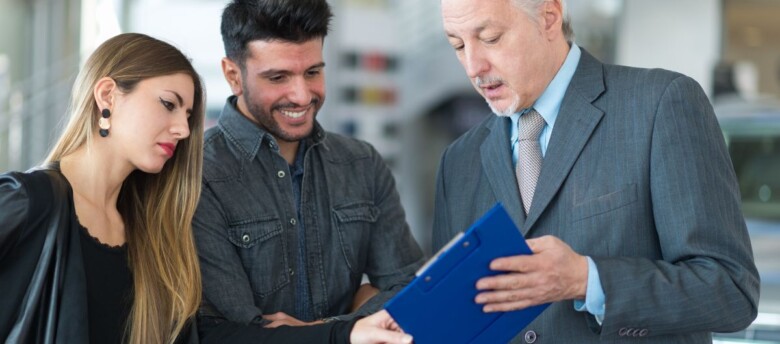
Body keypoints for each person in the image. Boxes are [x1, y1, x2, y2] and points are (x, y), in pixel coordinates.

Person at [0, 33, 412, 344]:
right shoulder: (29, 201)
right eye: (168, 103)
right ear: (108, 94)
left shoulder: (152, 229)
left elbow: (217, 337)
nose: (181, 129)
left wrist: (344, 333)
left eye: (188, 113)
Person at [432, 0, 760, 342]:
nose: (472, 66)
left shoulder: (660, 104)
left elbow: (732, 290)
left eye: (490, 38)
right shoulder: (458, 161)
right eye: (457, 44)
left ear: (548, 18)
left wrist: (586, 280)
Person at [192, 0, 424, 331]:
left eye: (313, 72)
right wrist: (359, 317)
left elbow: (411, 292)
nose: (302, 96)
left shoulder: (362, 164)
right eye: (278, 77)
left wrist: (328, 327)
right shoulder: (198, 174)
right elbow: (239, 332)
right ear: (233, 75)